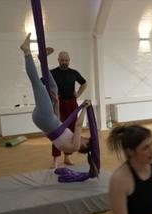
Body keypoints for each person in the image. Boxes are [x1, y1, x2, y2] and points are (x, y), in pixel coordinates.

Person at [20, 34, 96, 173]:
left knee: (37, 83)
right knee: (53, 89)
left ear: (83, 146)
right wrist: (56, 103)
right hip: (47, 118)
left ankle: (26, 51)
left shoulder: (74, 146)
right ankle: (42, 60)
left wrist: (84, 107)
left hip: (45, 118)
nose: (84, 137)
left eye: (86, 140)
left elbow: (78, 124)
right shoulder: (69, 140)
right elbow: (59, 123)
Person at [50, 50, 87, 168]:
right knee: (57, 132)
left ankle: (67, 157)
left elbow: (84, 83)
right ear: (58, 60)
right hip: (58, 105)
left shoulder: (74, 73)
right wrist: (52, 96)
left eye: (66, 60)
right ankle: (55, 160)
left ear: (69, 60)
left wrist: (78, 94)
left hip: (72, 104)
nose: (64, 62)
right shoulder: (52, 73)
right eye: (62, 60)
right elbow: (42, 84)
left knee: (71, 131)